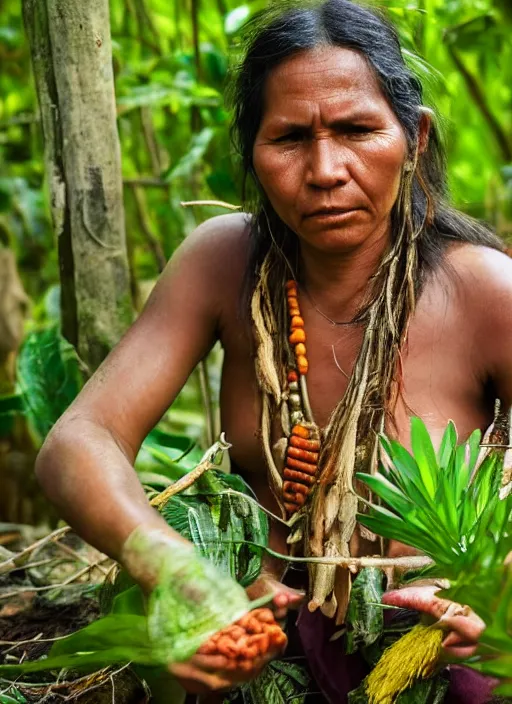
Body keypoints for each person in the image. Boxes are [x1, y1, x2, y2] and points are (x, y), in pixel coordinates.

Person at [35, 0, 512, 700]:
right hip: (266, 650)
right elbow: (80, 440)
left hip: (447, 656)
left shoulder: (483, 290)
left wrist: (497, 591)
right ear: (252, 156)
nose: (325, 169)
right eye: (289, 138)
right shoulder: (223, 264)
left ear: (414, 138)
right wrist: (177, 573)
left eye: (357, 130)